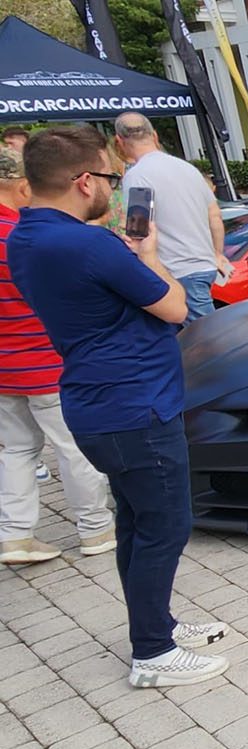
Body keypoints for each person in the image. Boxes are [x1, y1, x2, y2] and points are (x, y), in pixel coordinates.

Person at [8, 125, 229, 687]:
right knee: (165, 527)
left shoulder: (26, 237)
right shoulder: (90, 244)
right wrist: (150, 254)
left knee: (136, 524)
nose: (115, 186)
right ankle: (152, 654)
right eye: (110, 176)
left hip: (98, 403)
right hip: (136, 408)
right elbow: (176, 306)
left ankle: (156, 625)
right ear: (84, 181)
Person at [0, 147, 116, 566]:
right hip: (44, 360)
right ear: (23, 185)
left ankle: (14, 535)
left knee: (16, 450)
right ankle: (95, 528)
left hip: (4, 366)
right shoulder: (22, 235)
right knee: (72, 446)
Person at [115, 112, 231, 322]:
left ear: (119, 142)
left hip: (175, 271)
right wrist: (216, 253)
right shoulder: (189, 169)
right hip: (204, 266)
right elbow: (214, 216)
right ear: (155, 136)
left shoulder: (138, 175)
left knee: (204, 343)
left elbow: (138, 230)